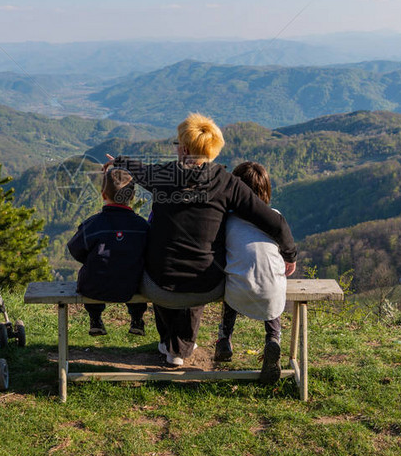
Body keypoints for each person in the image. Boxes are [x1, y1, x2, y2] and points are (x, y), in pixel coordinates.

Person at [108, 113, 297, 367]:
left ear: (185, 149)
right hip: (206, 288)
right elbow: (275, 223)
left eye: (177, 144)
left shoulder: (164, 175)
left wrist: (118, 162)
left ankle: (170, 344)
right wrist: (290, 256)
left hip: (159, 286)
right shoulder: (228, 183)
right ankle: (181, 345)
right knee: (199, 268)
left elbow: (140, 171)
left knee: (156, 267)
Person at [214, 161, 296, 383]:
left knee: (235, 278)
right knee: (271, 285)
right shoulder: (275, 215)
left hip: (237, 290)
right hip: (272, 292)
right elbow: (285, 244)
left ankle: (225, 338)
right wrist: (290, 259)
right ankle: (273, 339)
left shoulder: (227, 220)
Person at [67, 167, 150, 336]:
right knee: (137, 275)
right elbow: (149, 252)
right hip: (131, 286)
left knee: (91, 273)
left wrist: (92, 260)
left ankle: (95, 318)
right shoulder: (142, 226)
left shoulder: (93, 224)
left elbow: (74, 248)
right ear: (132, 196)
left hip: (94, 287)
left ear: (103, 195)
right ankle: (136, 319)